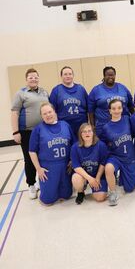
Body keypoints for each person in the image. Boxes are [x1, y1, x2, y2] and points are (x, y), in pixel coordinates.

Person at [11, 68, 49, 199]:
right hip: (27, 132)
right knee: (29, 159)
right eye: (31, 77)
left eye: (35, 77)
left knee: (42, 157)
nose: (33, 79)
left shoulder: (44, 92)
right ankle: (31, 185)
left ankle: (42, 182)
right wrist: (15, 131)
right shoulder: (20, 94)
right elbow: (14, 113)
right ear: (26, 80)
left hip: (43, 131)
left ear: (38, 78)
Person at [29, 103, 74, 205]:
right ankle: (41, 186)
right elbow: (32, 151)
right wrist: (38, 169)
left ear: (55, 112)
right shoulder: (38, 129)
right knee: (47, 200)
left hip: (65, 166)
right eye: (44, 113)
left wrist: (72, 160)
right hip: (48, 168)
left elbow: (74, 145)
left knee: (66, 195)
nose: (48, 115)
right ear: (41, 116)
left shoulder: (65, 125)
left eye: (50, 112)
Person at [100, 99, 135, 206]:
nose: (117, 111)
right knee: (109, 168)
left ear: (122, 109)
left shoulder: (128, 119)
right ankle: (112, 192)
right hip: (115, 156)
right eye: (114, 108)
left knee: (129, 189)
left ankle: (122, 177)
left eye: (119, 108)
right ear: (110, 111)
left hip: (129, 157)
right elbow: (103, 145)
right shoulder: (106, 127)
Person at [88, 66, 135, 136]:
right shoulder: (96, 90)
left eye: (112, 75)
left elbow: (130, 106)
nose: (110, 77)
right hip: (103, 126)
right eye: (108, 75)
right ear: (104, 76)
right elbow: (91, 111)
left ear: (115, 75)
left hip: (123, 125)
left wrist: (134, 120)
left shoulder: (122, 88)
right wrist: (92, 126)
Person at [71, 123, 108, 204]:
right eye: (84, 132)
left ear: (93, 133)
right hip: (84, 175)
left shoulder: (101, 145)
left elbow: (103, 163)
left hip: (98, 175)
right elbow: (76, 167)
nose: (87, 133)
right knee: (76, 178)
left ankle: (99, 187)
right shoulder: (75, 147)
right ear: (80, 134)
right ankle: (81, 192)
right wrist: (89, 179)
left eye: (89, 131)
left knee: (100, 198)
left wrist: (97, 178)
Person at [49, 66, 88, 139]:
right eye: (65, 74)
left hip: (81, 125)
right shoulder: (56, 90)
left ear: (73, 75)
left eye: (70, 74)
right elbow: (52, 110)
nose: (68, 76)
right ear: (61, 76)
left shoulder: (81, 89)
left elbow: (88, 107)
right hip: (64, 126)